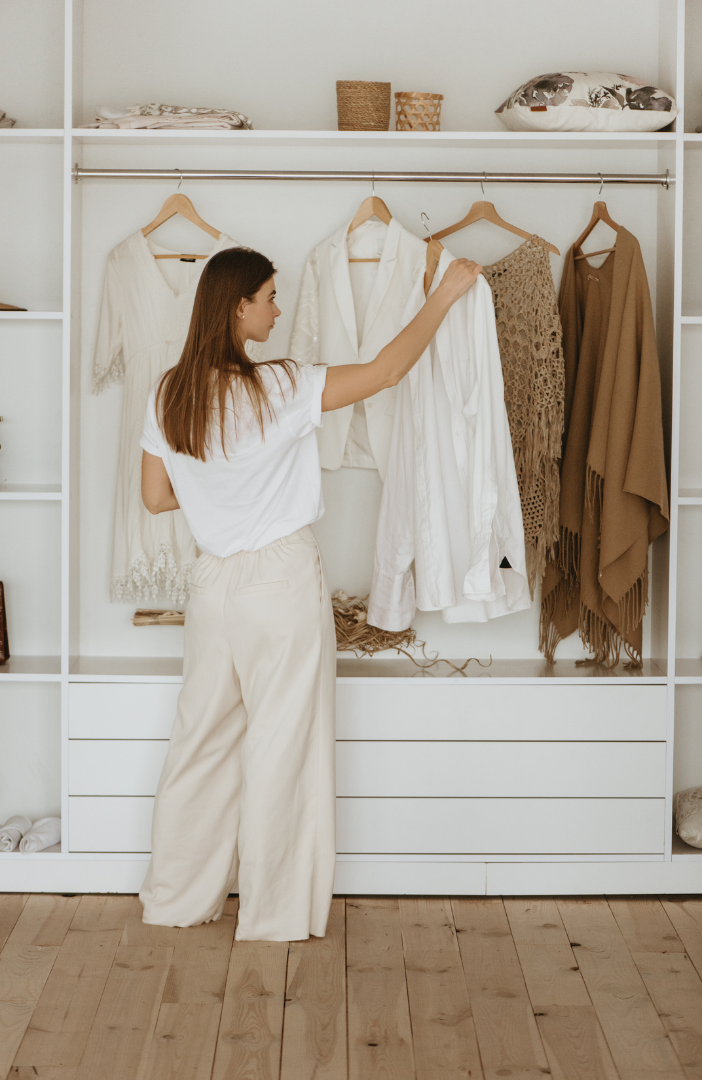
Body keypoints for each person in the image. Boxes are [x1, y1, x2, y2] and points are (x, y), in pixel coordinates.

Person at [138, 244, 482, 940]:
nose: (278, 307)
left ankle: (174, 900)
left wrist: (221, 492)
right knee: (282, 748)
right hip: (281, 582)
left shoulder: (168, 390)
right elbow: (387, 370)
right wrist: (443, 296)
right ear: (238, 306)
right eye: (269, 296)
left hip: (211, 589)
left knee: (199, 743)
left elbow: (155, 497)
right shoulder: (282, 385)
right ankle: (272, 916)